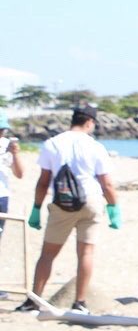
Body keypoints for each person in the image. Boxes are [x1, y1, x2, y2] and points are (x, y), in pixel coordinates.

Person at [16, 106, 120, 313]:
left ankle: (34, 300)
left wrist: (36, 208)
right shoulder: (95, 146)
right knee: (86, 253)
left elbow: (43, 182)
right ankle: (80, 302)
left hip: (62, 203)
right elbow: (107, 183)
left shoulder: (52, 144)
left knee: (48, 253)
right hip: (90, 201)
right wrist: (113, 207)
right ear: (90, 122)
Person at [0, 114, 25, 256]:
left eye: (2, 130)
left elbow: (20, 174)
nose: (1, 134)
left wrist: (15, 154)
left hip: (2, 196)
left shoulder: (6, 144)